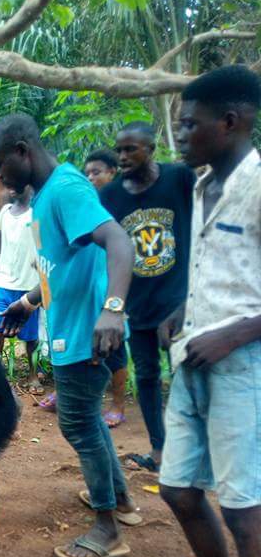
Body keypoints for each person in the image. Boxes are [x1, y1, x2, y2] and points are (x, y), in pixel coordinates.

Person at [0, 113, 142, 557]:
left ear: (22, 151)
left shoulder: (68, 188)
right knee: (86, 420)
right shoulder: (45, 195)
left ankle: (107, 528)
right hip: (69, 327)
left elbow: (118, 241)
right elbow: (60, 262)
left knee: (76, 422)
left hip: (88, 331)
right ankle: (120, 500)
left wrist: (112, 310)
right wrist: (30, 301)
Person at [157, 65, 261, 557]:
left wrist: (236, 330)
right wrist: (186, 312)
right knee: (176, 489)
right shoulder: (200, 187)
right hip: (194, 354)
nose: (181, 134)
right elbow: (228, 272)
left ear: (232, 121)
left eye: (190, 124)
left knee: (244, 509)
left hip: (241, 364)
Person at [100, 123, 194, 470]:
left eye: (131, 149)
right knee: (148, 377)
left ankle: (193, 452)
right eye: (119, 150)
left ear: (151, 149)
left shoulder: (179, 179)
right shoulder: (111, 196)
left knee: (186, 376)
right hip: (138, 305)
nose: (123, 157)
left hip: (180, 302)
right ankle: (159, 449)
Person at [82, 148, 128, 428]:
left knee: (116, 348)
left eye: (96, 172)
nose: (90, 178)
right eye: (87, 173)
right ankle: (87, 399)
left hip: (115, 286)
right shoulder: (87, 205)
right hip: (91, 285)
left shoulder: (122, 204)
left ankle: (119, 404)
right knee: (90, 345)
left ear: (113, 172)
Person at [0, 186, 42, 393]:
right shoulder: (4, 213)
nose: (13, 188)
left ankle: (33, 374)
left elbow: (41, 246)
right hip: (5, 281)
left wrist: (42, 278)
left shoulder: (36, 213)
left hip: (29, 284)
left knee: (31, 335)